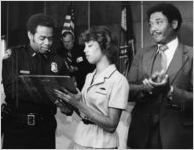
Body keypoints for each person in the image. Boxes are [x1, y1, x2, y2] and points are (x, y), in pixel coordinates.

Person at [1, 13, 72, 149]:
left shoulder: (58, 61)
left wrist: (68, 105)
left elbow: (66, 94)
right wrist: (52, 95)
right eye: (42, 38)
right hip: (17, 129)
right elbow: (12, 91)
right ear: (30, 35)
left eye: (50, 38)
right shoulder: (14, 56)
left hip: (45, 130)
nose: (47, 43)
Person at [127, 3, 193, 149]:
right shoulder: (142, 54)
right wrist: (146, 88)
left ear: (174, 24)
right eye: (150, 25)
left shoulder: (192, 55)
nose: (152, 29)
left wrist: (170, 91)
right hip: (142, 136)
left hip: (177, 136)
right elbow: (127, 90)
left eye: (158, 23)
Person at [54, 26, 129, 149]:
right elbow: (85, 113)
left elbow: (111, 125)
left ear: (105, 48)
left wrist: (79, 104)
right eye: (85, 46)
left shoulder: (119, 80)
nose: (84, 50)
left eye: (89, 46)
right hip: (81, 139)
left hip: (103, 144)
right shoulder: (89, 76)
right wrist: (68, 103)